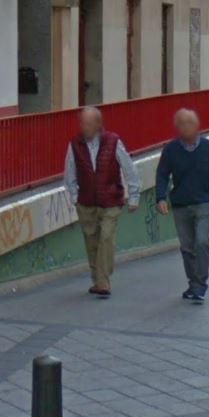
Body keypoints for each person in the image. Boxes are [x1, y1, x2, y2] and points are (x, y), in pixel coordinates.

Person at [63, 107, 141, 298]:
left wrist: (134, 196)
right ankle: (97, 280)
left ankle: (103, 282)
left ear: (98, 124)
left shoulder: (113, 142)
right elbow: (69, 173)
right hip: (86, 202)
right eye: (82, 123)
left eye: (88, 123)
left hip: (111, 200)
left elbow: (129, 169)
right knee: (92, 242)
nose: (84, 127)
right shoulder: (75, 145)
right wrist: (75, 197)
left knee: (106, 238)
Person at [155, 108, 209, 303]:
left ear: (197, 126)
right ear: (176, 127)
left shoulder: (208, 148)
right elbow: (162, 174)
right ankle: (193, 283)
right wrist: (160, 197)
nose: (185, 127)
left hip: (204, 202)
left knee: (202, 242)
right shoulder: (171, 149)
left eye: (189, 123)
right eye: (181, 123)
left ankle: (200, 285)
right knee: (187, 247)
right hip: (181, 204)